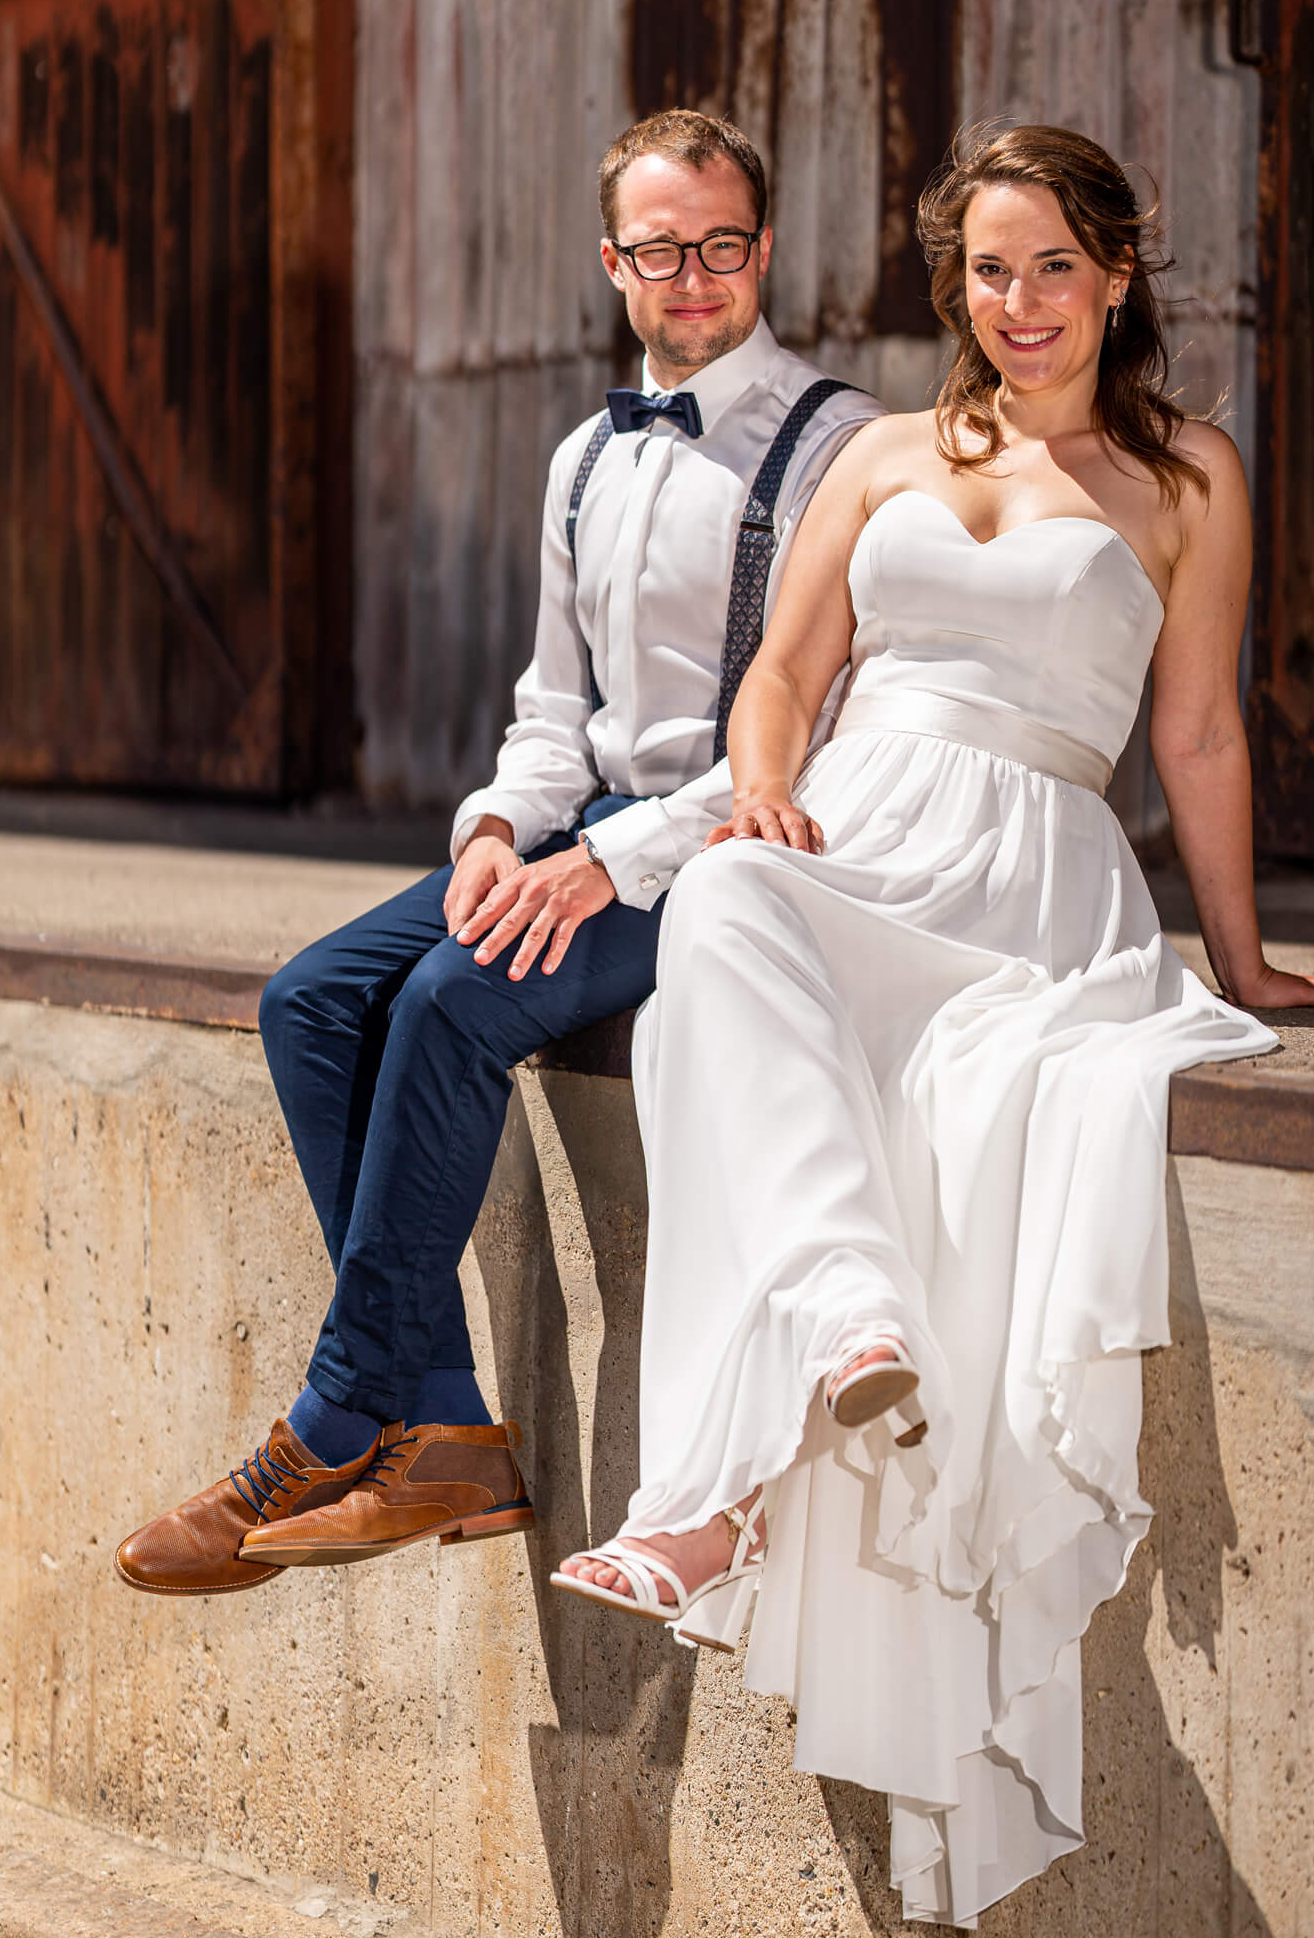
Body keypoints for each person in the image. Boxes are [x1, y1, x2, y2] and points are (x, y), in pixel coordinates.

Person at [552, 124, 1314, 1925]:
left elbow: (1202, 741)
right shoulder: (883, 452)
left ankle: (718, 1498)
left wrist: (1242, 963)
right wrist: (760, 791)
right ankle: (829, 1339)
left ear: (1118, 273)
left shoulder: (1187, 479)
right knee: (726, 905)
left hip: (1028, 866)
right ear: (962, 287)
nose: (1022, 306)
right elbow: (781, 677)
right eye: (990, 272)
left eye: (1056, 267)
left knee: (773, 1014)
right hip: (856, 824)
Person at [114, 109, 881, 1597]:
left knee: (450, 1004)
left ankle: (338, 1419)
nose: (696, 274)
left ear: (766, 248)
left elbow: (824, 728)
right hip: (587, 826)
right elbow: (554, 711)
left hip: (737, 851)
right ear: (614, 263)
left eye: (724, 243)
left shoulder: (835, 446)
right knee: (313, 997)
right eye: (661, 248)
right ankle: (449, 1425)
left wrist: (613, 861)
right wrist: (492, 830)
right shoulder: (586, 457)